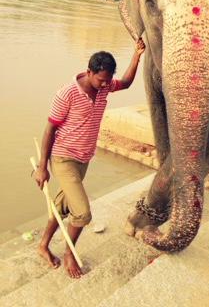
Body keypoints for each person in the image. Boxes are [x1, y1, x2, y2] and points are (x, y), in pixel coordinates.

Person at [34, 40, 145, 278]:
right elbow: (49, 130)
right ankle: (69, 254)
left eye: (107, 80)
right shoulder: (67, 93)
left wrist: (137, 55)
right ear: (89, 72)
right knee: (82, 213)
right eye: (100, 80)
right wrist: (42, 167)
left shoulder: (105, 88)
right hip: (64, 158)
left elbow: (125, 82)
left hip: (84, 158)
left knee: (62, 205)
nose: (104, 84)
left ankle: (42, 245)